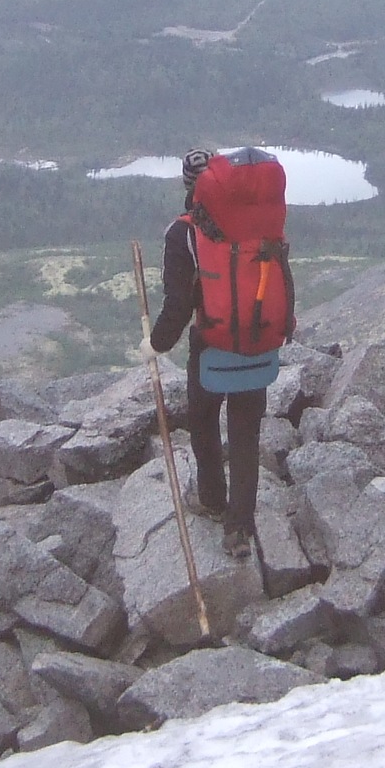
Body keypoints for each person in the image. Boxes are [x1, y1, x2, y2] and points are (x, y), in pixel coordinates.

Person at [147, 147, 274, 554]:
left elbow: (179, 305)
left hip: (210, 343)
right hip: (258, 340)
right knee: (245, 432)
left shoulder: (183, 232)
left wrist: (154, 345)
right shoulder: (260, 223)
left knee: (202, 419)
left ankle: (213, 500)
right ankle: (239, 530)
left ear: (189, 186)